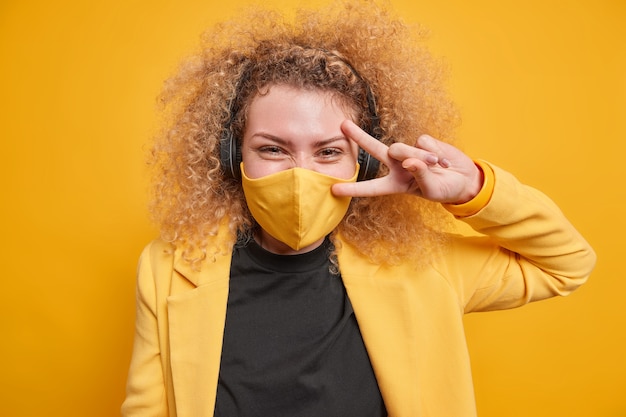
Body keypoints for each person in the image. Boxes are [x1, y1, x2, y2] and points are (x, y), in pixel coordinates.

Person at [121, 1, 596, 416]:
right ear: (231, 156)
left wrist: (469, 188)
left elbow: (568, 265)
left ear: (363, 163)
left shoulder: (424, 267)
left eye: (328, 152)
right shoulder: (167, 268)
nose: (301, 174)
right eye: (272, 149)